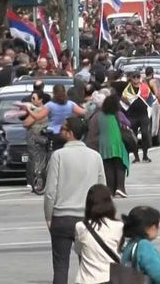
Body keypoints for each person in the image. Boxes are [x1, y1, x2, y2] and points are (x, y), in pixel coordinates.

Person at [44, 116, 106, 284]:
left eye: (64, 129)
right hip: (88, 218)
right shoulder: (95, 157)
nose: (61, 132)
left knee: (61, 266)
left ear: (70, 133)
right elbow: (102, 190)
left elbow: (50, 191)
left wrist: (49, 216)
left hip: (62, 216)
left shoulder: (58, 155)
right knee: (88, 267)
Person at [73, 184, 124, 284]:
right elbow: (120, 252)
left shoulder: (80, 227)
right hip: (110, 278)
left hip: (87, 279)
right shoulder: (119, 226)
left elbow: (79, 251)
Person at [25, 84, 87, 148]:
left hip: (53, 133)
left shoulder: (49, 105)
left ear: (54, 93)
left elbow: (37, 117)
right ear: (65, 92)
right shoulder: (70, 104)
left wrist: (29, 110)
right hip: (66, 132)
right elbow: (83, 112)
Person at [96, 94, 131, 197]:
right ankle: (120, 188)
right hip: (117, 143)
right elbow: (128, 123)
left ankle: (110, 190)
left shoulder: (100, 115)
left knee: (108, 167)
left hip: (103, 144)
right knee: (120, 165)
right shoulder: (118, 114)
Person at [122, 72, 154, 163]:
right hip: (132, 116)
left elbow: (151, 99)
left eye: (138, 77)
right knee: (134, 136)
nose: (136, 79)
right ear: (130, 78)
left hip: (143, 114)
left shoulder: (144, 87)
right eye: (134, 77)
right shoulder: (127, 90)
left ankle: (145, 155)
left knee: (145, 133)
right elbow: (123, 102)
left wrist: (149, 110)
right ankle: (136, 156)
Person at [22, 89, 50, 189]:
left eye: (34, 98)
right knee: (42, 159)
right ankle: (40, 180)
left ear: (41, 99)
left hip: (35, 137)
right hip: (43, 138)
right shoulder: (47, 109)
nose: (32, 100)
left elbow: (26, 123)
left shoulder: (38, 110)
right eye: (31, 98)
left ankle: (32, 181)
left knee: (33, 159)